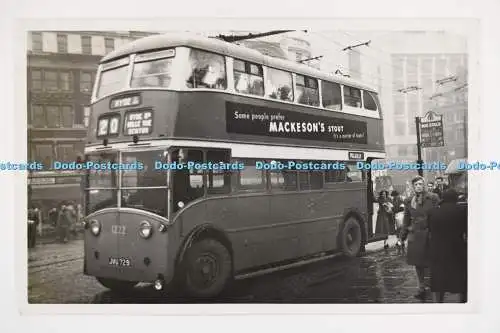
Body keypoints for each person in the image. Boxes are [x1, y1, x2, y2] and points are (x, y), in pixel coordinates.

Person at [400, 176, 440, 301]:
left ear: (424, 185)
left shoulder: (433, 198)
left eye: (421, 184)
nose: (418, 186)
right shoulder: (408, 201)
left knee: (432, 262)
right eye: (416, 184)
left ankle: (435, 286)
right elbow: (406, 220)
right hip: (415, 235)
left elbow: (439, 215)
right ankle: (421, 287)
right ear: (413, 186)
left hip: (430, 235)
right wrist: (402, 237)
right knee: (418, 264)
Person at [428, 189, 467, 303]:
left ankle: (437, 303)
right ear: (456, 198)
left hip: (437, 250)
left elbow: (430, 229)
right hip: (456, 249)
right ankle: (459, 302)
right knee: (458, 277)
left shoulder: (433, 212)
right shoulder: (462, 210)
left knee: (437, 277)